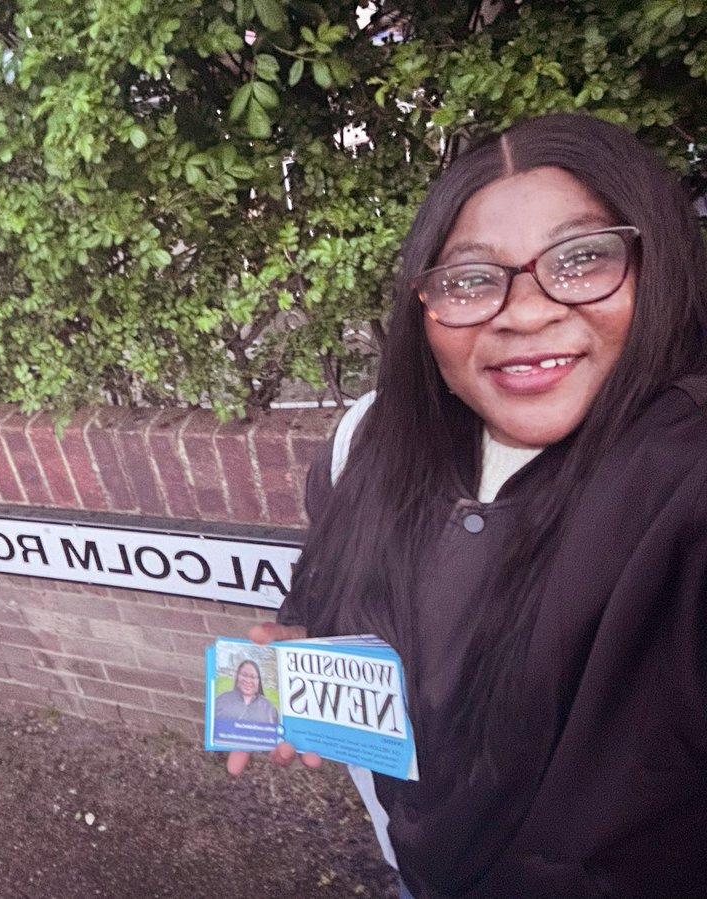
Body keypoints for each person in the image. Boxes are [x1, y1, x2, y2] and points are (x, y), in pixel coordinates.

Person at [227, 113, 707, 897]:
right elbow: (335, 604)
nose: (523, 312)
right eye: (472, 278)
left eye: (582, 259)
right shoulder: (370, 439)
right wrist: (300, 642)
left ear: (658, 264)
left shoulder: (688, 478)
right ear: (425, 307)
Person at [214, 658, 279, 725]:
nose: (248, 680)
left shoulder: (269, 709)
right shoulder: (222, 701)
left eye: (253, 677)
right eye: (244, 675)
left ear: (258, 681)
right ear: (237, 676)